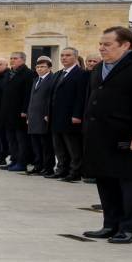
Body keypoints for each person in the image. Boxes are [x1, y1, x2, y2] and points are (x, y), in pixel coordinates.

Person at [81, 27, 132, 244]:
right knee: (105, 180)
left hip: (128, 137)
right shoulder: (99, 68)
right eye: (100, 44)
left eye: (107, 44)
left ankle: (130, 229)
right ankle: (110, 225)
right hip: (100, 135)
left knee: (129, 183)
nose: (102, 48)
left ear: (125, 45)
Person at [48, 46, 87, 182]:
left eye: (68, 55)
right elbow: (52, 96)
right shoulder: (58, 74)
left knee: (73, 147)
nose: (64, 58)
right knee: (59, 146)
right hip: (56, 116)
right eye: (62, 55)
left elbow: (81, 96)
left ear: (75, 57)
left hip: (70, 117)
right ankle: (61, 169)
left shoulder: (81, 74)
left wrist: (77, 115)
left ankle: (75, 172)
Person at [0, 52, 34, 173]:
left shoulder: (28, 74)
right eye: (11, 58)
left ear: (23, 60)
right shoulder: (9, 74)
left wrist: (25, 110)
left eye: (15, 58)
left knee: (21, 140)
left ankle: (22, 162)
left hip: (19, 113)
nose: (12, 60)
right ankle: (14, 160)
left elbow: (28, 93)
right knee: (11, 139)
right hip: (8, 113)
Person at [25, 56, 57, 175]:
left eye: (43, 67)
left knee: (46, 145)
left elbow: (51, 99)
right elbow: (32, 99)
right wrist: (28, 115)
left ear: (49, 68)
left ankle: (48, 167)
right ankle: (38, 166)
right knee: (36, 144)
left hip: (44, 117)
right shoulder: (36, 80)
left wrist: (48, 113)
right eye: (38, 67)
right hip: (33, 116)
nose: (39, 69)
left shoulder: (52, 79)